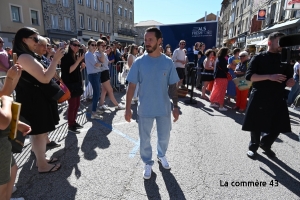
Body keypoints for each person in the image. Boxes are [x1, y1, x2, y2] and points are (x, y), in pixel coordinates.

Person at [125, 27, 180, 179]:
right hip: (145, 109)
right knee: (145, 139)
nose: (147, 43)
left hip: (163, 108)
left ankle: (161, 155)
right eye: (145, 40)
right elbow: (132, 86)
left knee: (164, 137)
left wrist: (175, 106)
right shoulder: (139, 62)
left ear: (159, 41)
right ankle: (147, 162)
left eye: (150, 40)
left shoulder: (168, 62)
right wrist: (127, 108)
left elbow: (173, 86)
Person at [14, 27, 63, 173]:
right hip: (34, 100)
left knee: (37, 134)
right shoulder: (25, 57)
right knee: (40, 134)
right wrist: (55, 60)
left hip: (33, 98)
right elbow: (45, 78)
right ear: (24, 40)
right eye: (35, 39)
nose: (37, 42)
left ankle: (41, 160)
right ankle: (42, 165)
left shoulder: (26, 55)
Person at [243, 32, 295, 158]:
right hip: (260, 95)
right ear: (269, 42)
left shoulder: (284, 58)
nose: (282, 45)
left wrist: (291, 82)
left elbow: (289, 79)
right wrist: (269, 77)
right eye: (279, 42)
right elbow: (249, 77)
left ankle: (265, 144)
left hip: (278, 96)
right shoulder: (258, 57)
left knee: (279, 124)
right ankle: (253, 146)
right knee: (256, 123)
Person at [34, 36, 61, 148]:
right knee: (40, 127)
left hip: (47, 94)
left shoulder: (41, 58)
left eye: (47, 45)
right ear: (34, 45)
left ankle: (47, 142)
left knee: (44, 125)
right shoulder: (33, 59)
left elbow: (51, 71)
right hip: (40, 95)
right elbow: (45, 76)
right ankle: (39, 154)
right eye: (43, 45)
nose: (46, 48)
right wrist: (55, 60)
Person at [61, 38, 85, 134]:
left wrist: (81, 67)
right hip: (70, 84)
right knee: (72, 105)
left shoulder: (74, 55)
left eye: (78, 45)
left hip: (76, 83)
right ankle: (70, 125)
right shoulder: (66, 56)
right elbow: (69, 70)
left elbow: (75, 71)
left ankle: (74, 122)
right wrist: (78, 61)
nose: (77, 47)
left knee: (77, 104)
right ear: (70, 45)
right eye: (75, 45)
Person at [96, 39, 125, 110]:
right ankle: (116, 104)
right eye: (102, 45)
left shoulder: (104, 53)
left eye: (105, 45)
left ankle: (101, 104)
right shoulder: (97, 54)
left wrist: (105, 53)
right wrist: (102, 51)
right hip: (103, 73)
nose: (104, 47)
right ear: (99, 46)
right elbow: (102, 62)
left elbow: (106, 62)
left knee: (104, 90)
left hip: (106, 72)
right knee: (110, 90)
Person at [84, 39, 103, 119]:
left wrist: (100, 64)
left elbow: (99, 62)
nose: (95, 46)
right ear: (88, 46)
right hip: (93, 75)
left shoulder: (93, 54)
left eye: (95, 45)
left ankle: (94, 109)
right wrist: (102, 65)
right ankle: (93, 113)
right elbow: (96, 64)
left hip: (96, 74)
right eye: (93, 45)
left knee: (97, 93)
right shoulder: (88, 54)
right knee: (96, 93)